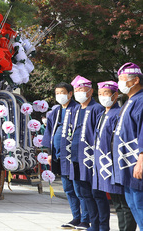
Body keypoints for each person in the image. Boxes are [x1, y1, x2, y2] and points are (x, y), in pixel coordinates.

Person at [93, 81, 136, 231]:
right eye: (100, 94)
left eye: (105, 93)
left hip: (115, 163)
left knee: (123, 203)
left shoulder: (117, 114)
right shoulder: (102, 114)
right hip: (103, 163)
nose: (102, 97)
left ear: (115, 95)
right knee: (116, 202)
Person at [42, 82, 85, 229]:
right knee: (68, 189)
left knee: (79, 189)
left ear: (70, 94)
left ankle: (85, 218)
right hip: (60, 156)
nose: (59, 96)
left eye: (62, 92)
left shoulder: (78, 109)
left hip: (74, 157)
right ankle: (76, 217)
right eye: (57, 93)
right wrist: (49, 153)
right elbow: (49, 133)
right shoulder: (56, 111)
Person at [69, 76, 104, 231]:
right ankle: (89, 222)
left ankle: (99, 224)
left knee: (94, 193)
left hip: (89, 157)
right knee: (82, 192)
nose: (78, 93)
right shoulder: (76, 109)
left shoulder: (96, 108)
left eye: (81, 89)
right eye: (76, 90)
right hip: (76, 156)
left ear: (90, 91)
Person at [112, 63, 143, 229]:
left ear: (136, 80)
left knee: (140, 204)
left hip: (136, 163)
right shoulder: (129, 101)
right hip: (126, 164)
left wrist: (141, 160)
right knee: (132, 204)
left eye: (123, 79)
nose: (120, 83)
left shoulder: (141, 101)